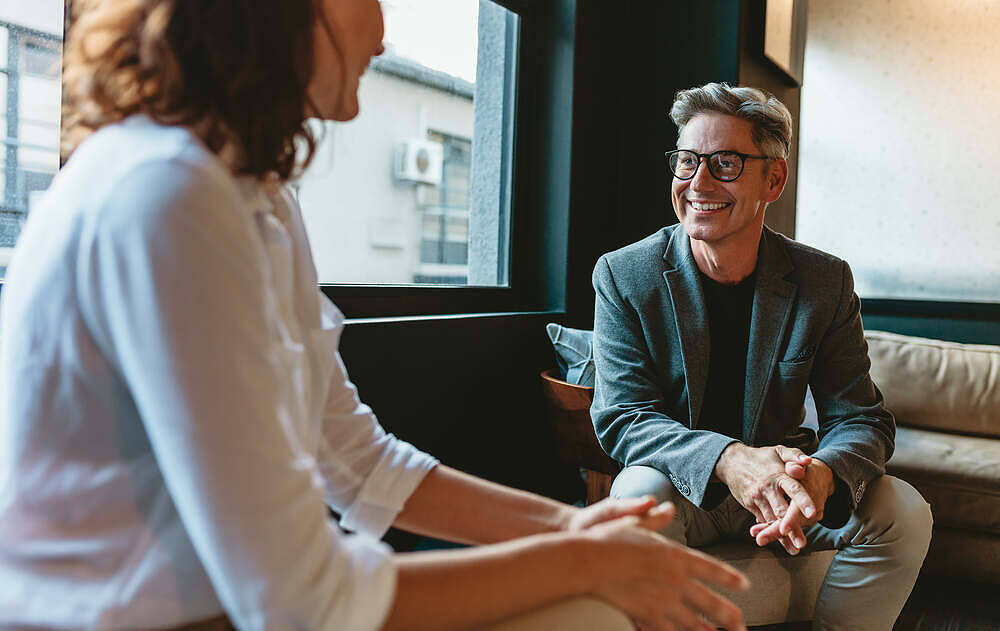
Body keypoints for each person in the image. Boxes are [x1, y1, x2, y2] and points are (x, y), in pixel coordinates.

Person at [0, 2, 751, 631]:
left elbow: (357, 461)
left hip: (234, 603)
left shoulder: (257, 196)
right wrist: (587, 561)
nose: (385, 34)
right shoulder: (166, 196)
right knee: (594, 609)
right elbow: (301, 599)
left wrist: (570, 526)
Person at [591, 82, 934, 630]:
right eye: (687, 161)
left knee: (905, 512)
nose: (698, 182)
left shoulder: (824, 280)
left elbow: (862, 418)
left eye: (725, 163)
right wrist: (730, 458)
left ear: (774, 179)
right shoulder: (624, 275)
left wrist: (822, 474)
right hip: (683, 488)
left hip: (791, 491)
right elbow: (623, 417)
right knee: (636, 494)